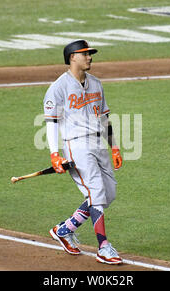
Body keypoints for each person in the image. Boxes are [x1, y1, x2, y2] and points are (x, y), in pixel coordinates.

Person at [43, 40, 123, 265]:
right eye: (85, 54)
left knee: (108, 194)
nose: (89, 57)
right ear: (72, 58)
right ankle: (104, 247)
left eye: (90, 54)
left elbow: (104, 117)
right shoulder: (58, 88)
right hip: (76, 145)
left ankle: (64, 230)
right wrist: (54, 154)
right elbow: (51, 122)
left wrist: (114, 146)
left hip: (99, 144)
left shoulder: (96, 83)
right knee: (96, 191)